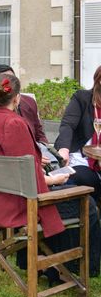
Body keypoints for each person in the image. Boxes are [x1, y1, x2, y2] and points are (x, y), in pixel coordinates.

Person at [0, 73, 100, 280]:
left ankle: (38, 262)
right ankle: (68, 268)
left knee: (65, 192)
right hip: (13, 202)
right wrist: (53, 179)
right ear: (17, 97)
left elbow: (8, 166)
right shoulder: (14, 123)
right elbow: (29, 178)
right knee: (86, 202)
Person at [55, 65, 101, 200]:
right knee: (88, 180)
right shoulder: (82, 98)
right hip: (81, 157)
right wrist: (64, 149)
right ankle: (93, 216)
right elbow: (68, 124)